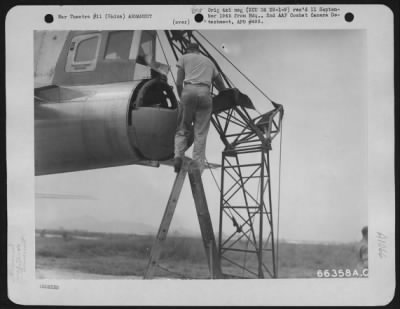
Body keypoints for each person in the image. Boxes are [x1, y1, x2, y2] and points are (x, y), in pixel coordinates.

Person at [174, 42, 226, 173]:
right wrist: (223, 94)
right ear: (198, 50)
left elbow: (179, 82)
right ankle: (197, 166)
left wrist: (182, 97)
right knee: (200, 133)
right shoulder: (209, 62)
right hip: (205, 93)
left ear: (188, 50)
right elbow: (221, 85)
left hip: (189, 91)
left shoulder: (184, 58)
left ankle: (178, 157)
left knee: (183, 127)